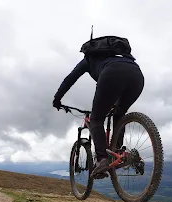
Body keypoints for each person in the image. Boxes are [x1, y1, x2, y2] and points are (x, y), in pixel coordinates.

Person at [53, 37, 144, 178]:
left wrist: (57, 99)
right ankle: (118, 153)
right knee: (119, 113)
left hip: (111, 74)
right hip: (137, 75)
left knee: (96, 118)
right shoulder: (120, 56)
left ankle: (102, 159)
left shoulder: (88, 60)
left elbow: (70, 79)